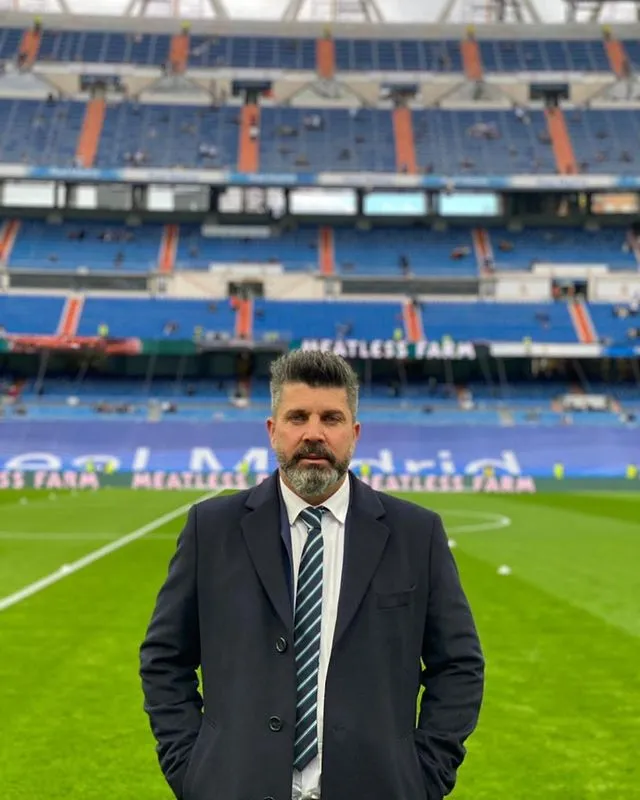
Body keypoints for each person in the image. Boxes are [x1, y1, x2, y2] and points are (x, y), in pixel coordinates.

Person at [139, 349, 485, 800]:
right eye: (298, 417)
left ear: (355, 434)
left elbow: (458, 666)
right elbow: (165, 658)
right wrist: (193, 769)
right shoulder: (212, 528)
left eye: (332, 418)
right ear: (272, 430)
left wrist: (424, 777)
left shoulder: (416, 535)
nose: (314, 434)